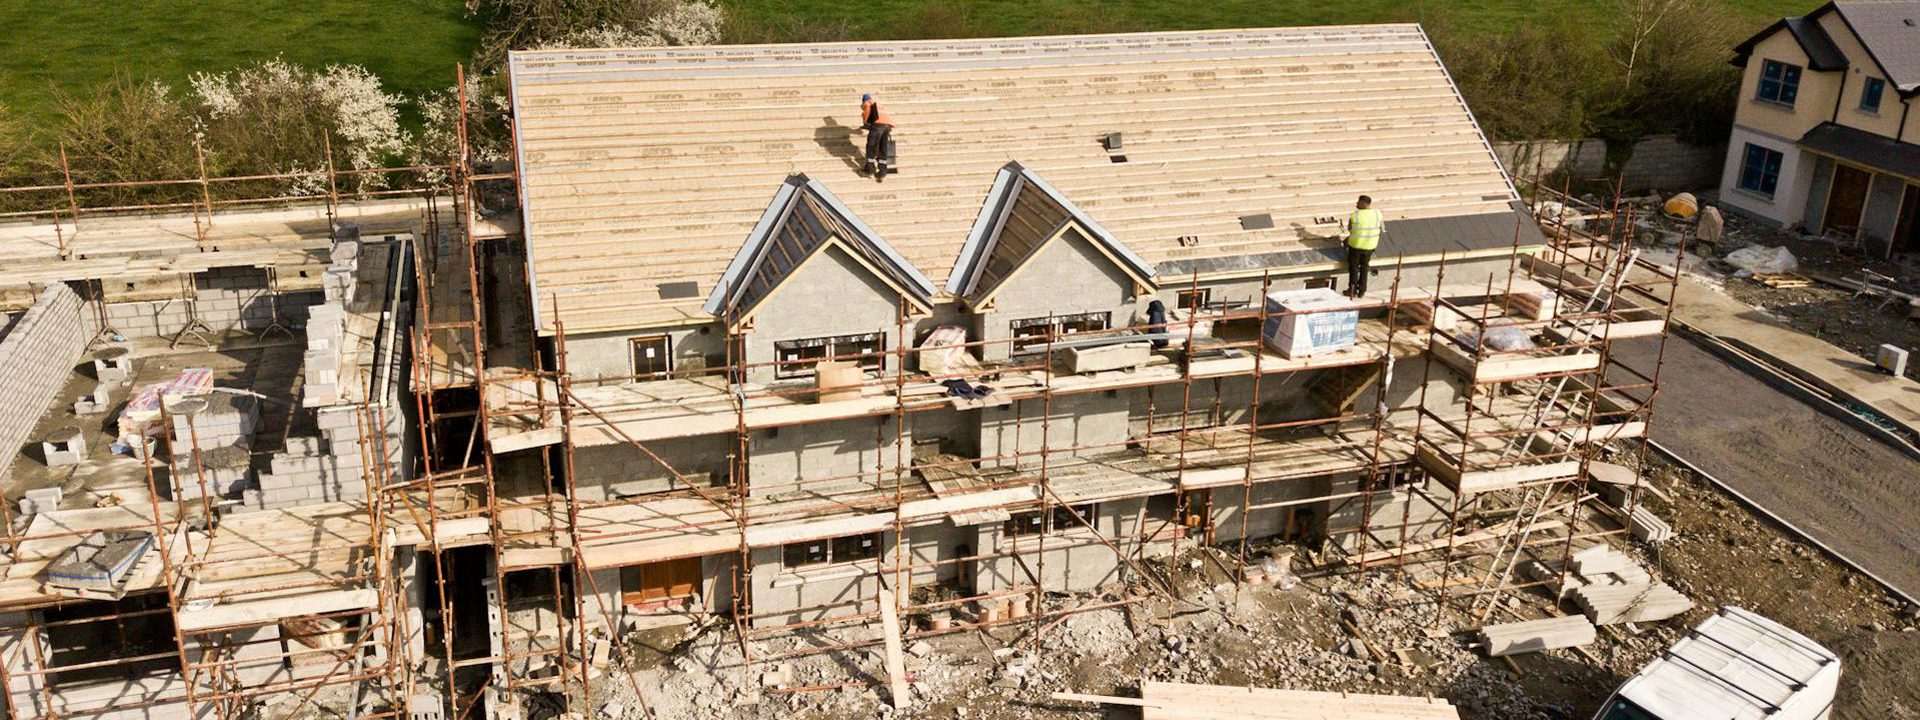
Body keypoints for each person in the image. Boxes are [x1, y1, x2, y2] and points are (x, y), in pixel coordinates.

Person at [1344, 195, 1383, 298]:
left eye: (1358, 202)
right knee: (1364, 268)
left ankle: (1352, 290)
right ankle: (1362, 291)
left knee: (1354, 268)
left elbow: (1350, 228)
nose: (1356, 204)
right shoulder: (1377, 214)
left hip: (1356, 246)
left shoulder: (1355, 215)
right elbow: (1382, 228)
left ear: (1364, 203)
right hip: (1370, 246)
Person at [859, 93, 894, 176]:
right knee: (882, 148)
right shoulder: (878, 105)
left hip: (878, 125)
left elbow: (867, 112)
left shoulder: (867, 103)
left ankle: (870, 170)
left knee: (871, 147)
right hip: (888, 126)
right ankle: (882, 171)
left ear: (863, 100)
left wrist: (865, 123)